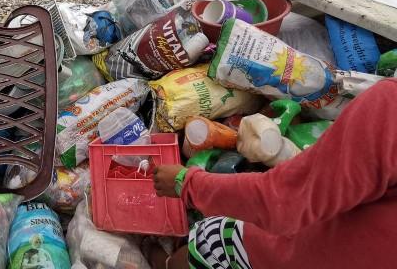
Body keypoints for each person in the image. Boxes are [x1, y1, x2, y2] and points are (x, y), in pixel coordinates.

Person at [151, 78, 397, 268]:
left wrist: (185, 182)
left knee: (212, 234)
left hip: (315, 256)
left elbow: (282, 202)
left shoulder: (389, 104)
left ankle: (165, 262)